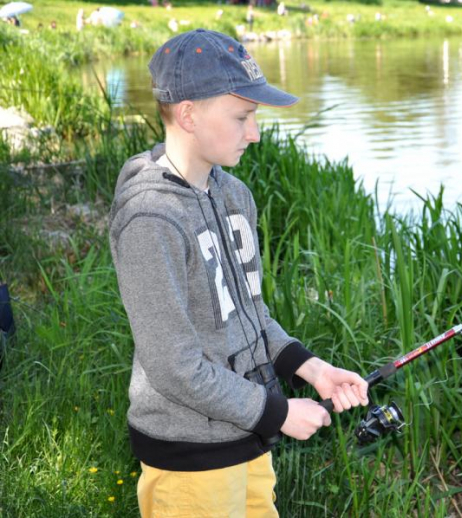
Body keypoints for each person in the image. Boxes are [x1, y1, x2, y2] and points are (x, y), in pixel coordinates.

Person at [108, 28, 369, 517]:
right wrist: (280, 412)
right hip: (190, 463)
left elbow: (249, 312)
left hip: (246, 440)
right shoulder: (151, 221)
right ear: (188, 113)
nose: (255, 133)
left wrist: (312, 369)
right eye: (242, 117)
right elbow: (174, 366)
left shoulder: (234, 196)